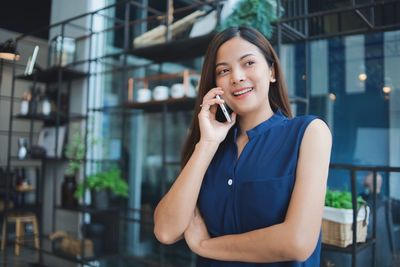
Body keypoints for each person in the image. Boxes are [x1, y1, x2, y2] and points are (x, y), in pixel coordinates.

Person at [153, 26, 332, 266]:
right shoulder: (208, 148)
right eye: (224, 70)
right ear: (215, 84)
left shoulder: (309, 133)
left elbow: (297, 242)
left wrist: (204, 246)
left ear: (272, 71)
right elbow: (166, 230)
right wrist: (207, 144)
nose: (236, 76)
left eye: (248, 63)